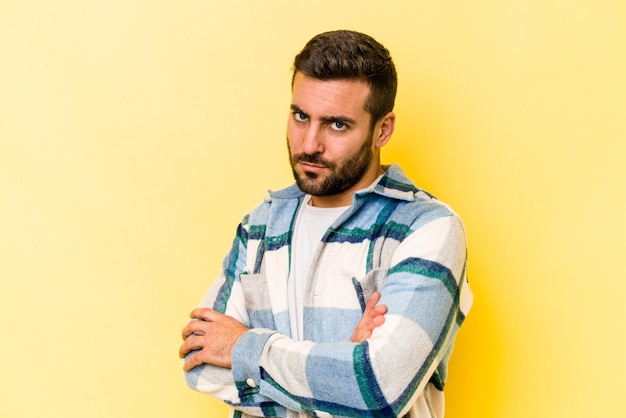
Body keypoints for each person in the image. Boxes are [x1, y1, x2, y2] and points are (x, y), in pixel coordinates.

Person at [179, 29, 473, 418]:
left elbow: (380, 390)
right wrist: (341, 368)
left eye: (337, 125)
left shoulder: (429, 230)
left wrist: (244, 347)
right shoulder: (260, 226)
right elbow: (200, 365)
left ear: (382, 129)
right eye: (301, 116)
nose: (309, 144)